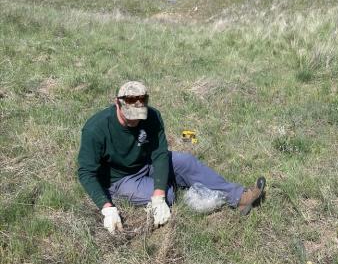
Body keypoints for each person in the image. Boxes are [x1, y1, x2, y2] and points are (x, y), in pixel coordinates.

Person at [78, 81, 266, 233]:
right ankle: (174, 191)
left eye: (139, 115)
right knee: (168, 194)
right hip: (120, 179)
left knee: (186, 162)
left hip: (146, 162)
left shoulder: (152, 116)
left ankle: (239, 198)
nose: (135, 120)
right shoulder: (96, 129)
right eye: (129, 116)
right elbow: (86, 172)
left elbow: (160, 153)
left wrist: (157, 195)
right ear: (116, 103)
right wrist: (107, 208)